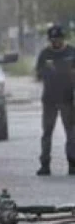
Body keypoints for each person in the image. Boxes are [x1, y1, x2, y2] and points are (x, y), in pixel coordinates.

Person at [35, 25, 75, 176]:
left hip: (67, 99)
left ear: (63, 39)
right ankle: (45, 164)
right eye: (53, 40)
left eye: (58, 40)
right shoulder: (45, 54)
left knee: (71, 133)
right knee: (47, 132)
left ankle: (72, 163)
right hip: (49, 99)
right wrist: (47, 72)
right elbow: (38, 73)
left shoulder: (71, 52)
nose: (55, 42)